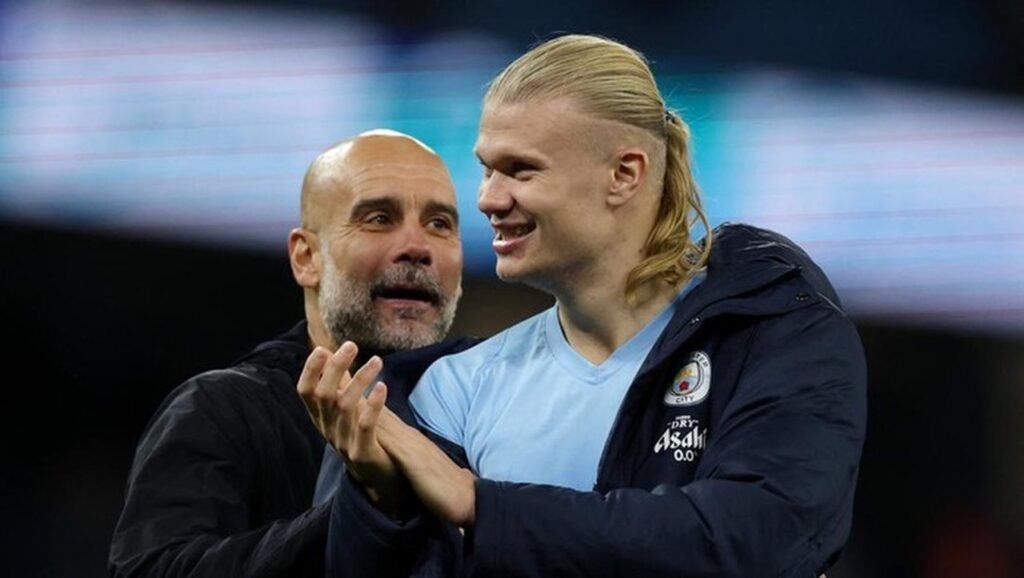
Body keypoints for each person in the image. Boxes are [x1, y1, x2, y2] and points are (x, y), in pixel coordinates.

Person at [305, 34, 867, 578]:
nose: (488, 199)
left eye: (521, 170)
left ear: (624, 174)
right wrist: (380, 502)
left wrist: (480, 504)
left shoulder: (768, 323)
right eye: (486, 168)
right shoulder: (453, 390)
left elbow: (756, 540)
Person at [108, 130, 465, 577]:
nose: (417, 247)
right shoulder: (221, 410)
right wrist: (370, 510)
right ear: (306, 258)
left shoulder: (490, 409)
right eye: (378, 218)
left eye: (440, 224)